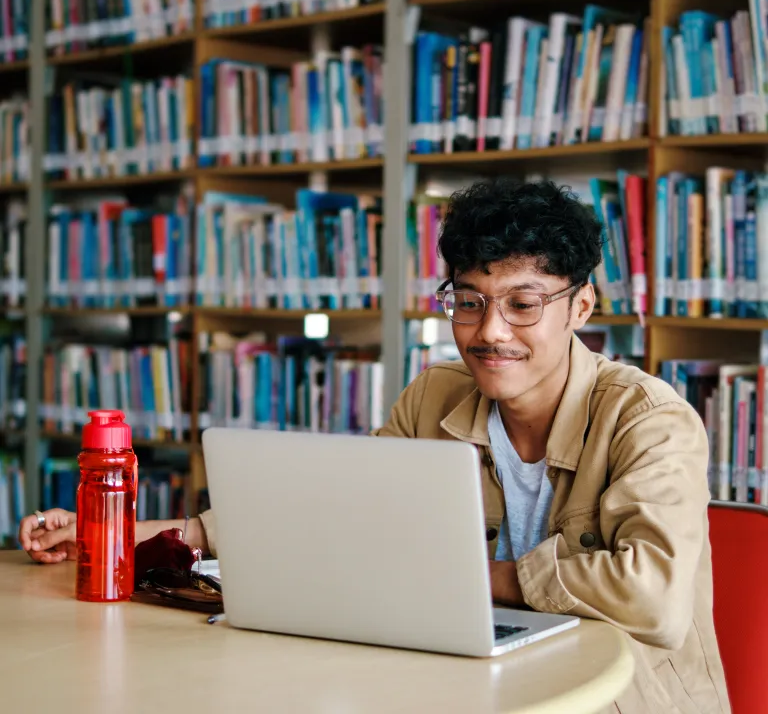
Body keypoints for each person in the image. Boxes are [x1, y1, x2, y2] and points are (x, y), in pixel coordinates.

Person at [19, 178, 729, 714]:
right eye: (469, 299)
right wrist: (121, 535)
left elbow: (653, 596)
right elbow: (340, 512)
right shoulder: (436, 396)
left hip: (621, 701)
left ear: (580, 305)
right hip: (473, 680)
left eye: (523, 302)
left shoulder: (649, 421)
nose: (490, 332)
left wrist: (473, 579)